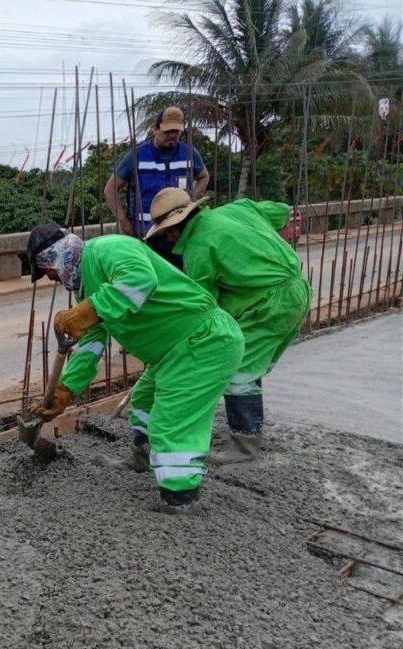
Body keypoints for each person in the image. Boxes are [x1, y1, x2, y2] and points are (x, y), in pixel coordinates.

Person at [27, 223, 243, 513]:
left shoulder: (108, 248)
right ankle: (141, 457)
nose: (51, 278)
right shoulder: (87, 287)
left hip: (203, 341)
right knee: (144, 400)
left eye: (47, 270)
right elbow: (91, 344)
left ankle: (180, 499)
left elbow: (141, 279)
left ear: (56, 256)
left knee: (171, 421)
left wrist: (90, 311)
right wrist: (66, 390)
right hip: (173, 353)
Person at [143, 188, 312, 464]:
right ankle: (248, 425)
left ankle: (245, 447)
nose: (169, 236)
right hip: (299, 291)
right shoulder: (239, 208)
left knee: (238, 370)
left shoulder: (199, 247)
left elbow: (202, 308)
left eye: (169, 230)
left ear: (179, 224)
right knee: (252, 365)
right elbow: (282, 212)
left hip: (269, 306)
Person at [104, 107, 209, 259]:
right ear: (156, 129)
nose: (172, 135)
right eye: (167, 131)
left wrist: (190, 199)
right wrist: (124, 221)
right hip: (146, 236)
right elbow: (110, 189)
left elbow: (204, 177)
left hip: (179, 235)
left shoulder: (189, 153)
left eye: (176, 132)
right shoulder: (137, 156)